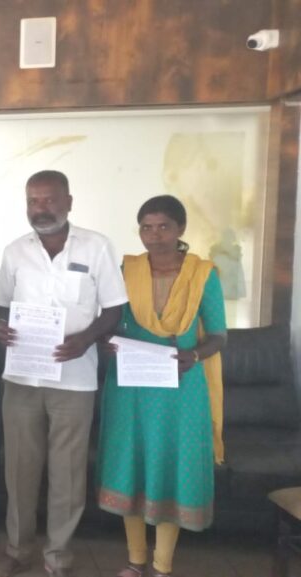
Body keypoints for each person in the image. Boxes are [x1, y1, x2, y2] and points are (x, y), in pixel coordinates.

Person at [0, 171, 128, 577]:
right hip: (22, 378)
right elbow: (1, 309)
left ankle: (58, 557)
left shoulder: (97, 246)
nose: (40, 208)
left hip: (74, 378)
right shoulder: (15, 251)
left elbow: (114, 309)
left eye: (48, 200)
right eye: (33, 201)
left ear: (68, 202)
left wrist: (85, 339)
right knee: (20, 471)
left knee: (68, 472)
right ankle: (18, 551)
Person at [98, 195, 226, 577]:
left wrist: (196, 355)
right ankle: (135, 561)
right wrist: (108, 340)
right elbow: (111, 321)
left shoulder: (203, 274)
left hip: (181, 386)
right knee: (132, 464)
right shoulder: (127, 270)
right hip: (131, 385)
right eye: (146, 228)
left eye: (163, 227)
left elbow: (218, 335)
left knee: (172, 466)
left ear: (181, 229)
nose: (154, 236)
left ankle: (162, 565)